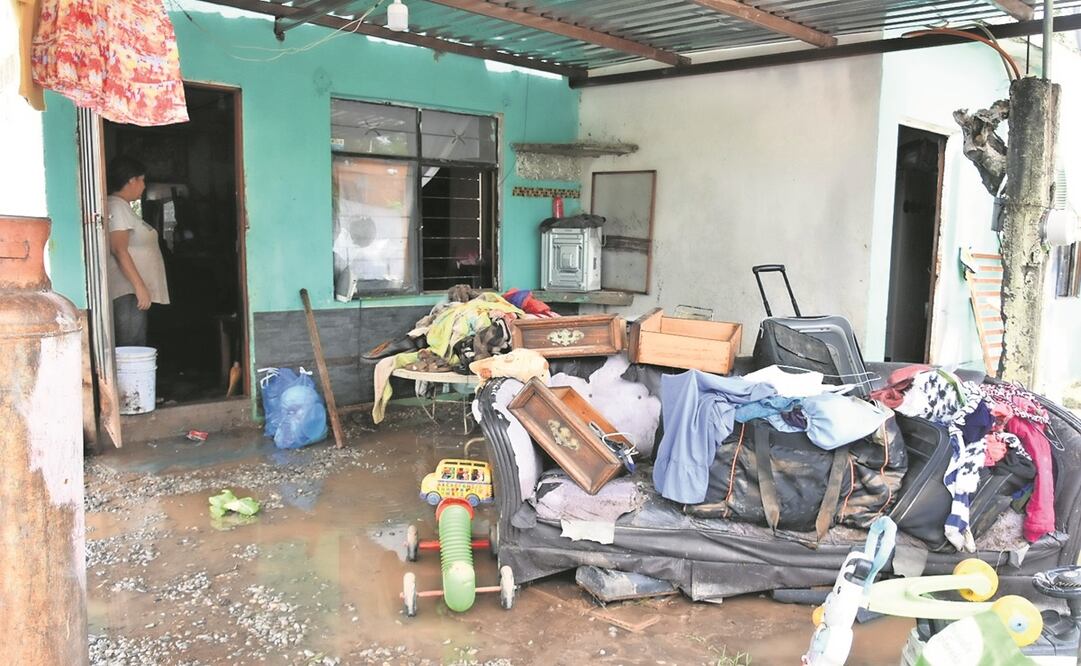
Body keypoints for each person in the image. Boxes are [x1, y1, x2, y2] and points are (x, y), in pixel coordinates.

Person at [106, 156, 170, 347]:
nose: (143, 186)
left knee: (135, 342)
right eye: (142, 180)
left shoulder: (123, 207)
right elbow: (118, 249)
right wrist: (139, 286)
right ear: (131, 180)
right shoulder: (116, 206)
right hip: (127, 291)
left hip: (132, 291)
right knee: (131, 346)